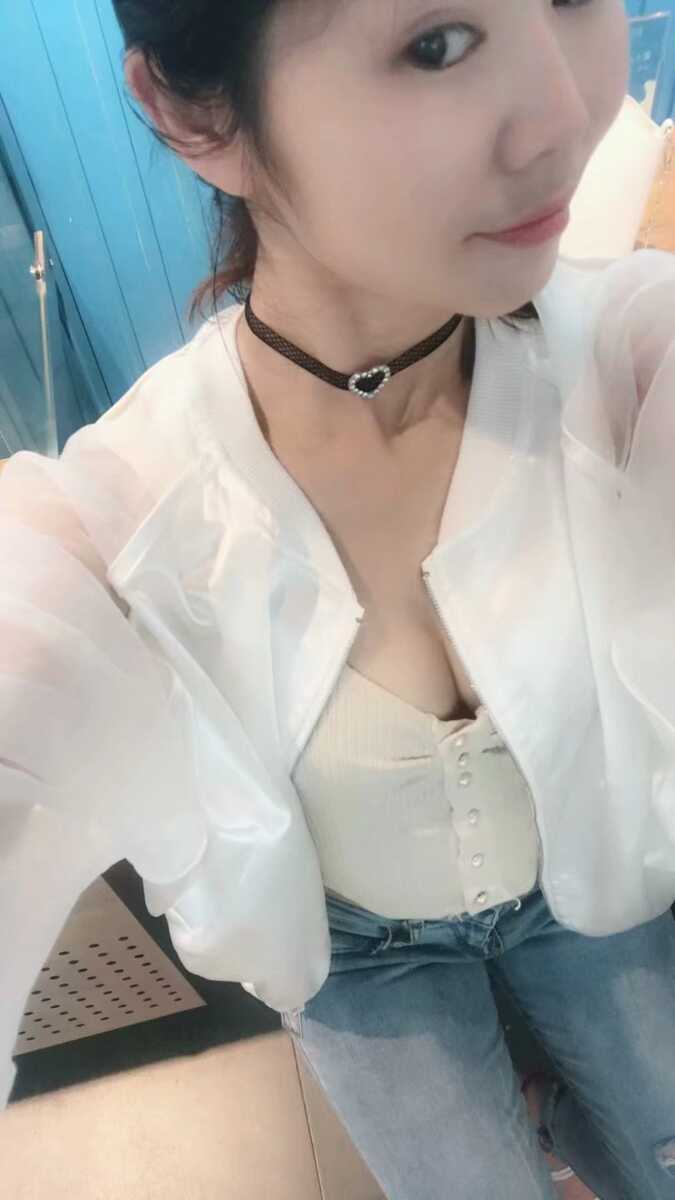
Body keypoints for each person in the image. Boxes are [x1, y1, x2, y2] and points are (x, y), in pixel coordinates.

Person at [2, 2, 675, 1197]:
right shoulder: (120, 518)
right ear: (196, 111)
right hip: (361, 957)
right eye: (436, 44)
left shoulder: (622, 359)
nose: (569, 116)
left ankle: (550, 1098)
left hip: (585, 886)